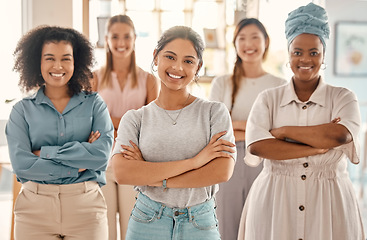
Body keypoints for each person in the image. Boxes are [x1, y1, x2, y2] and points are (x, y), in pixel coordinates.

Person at [237, 3, 365, 240]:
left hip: (330, 199)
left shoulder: (343, 97)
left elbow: (340, 136)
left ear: (324, 53)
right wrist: (316, 144)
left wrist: (283, 131)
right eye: (297, 52)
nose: (305, 59)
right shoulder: (268, 98)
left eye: (314, 52)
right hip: (275, 199)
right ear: (288, 53)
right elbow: (259, 146)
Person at [110, 26, 237, 240]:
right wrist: (195, 162)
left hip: (199, 221)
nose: (177, 67)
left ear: (198, 67)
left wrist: (151, 177)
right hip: (147, 219)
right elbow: (123, 173)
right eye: (170, 56)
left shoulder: (214, 112)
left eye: (188, 61)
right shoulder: (135, 118)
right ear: (156, 57)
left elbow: (221, 171)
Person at [6, 25, 114, 240]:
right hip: (34, 212)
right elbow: (23, 166)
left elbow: (101, 156)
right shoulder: (21, 110)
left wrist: (44, 153)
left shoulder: (94, 104)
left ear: (77, 61)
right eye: (49, 58)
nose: (58, 65)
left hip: (86, 209)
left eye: (66, 58)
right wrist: (79, 162)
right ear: (37, 62)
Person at [208, 18, 286, 240]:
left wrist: (237, 126)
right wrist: (258, 128)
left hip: (266, 162)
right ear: (235, 43)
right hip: (226, 159)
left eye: (254, 37)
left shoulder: (279, 84)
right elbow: (215, 127)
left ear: (266, 42)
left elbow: (280, 132)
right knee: (226, 227)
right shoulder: (222, 83)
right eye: (242, 38)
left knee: (261, 226)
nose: (248, 44)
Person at [91, 14, 159, 240]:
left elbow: (152, 123)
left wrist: (109, 122)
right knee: (104, 230)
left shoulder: (148, 79)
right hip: (101, 161)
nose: (121, 43)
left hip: (133, 161)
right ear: (106, 40)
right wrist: (131, 122)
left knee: (134, 230)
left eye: (127, 37)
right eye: (115, 37)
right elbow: (89, 121)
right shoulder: (94, 78)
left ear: (135, 38)